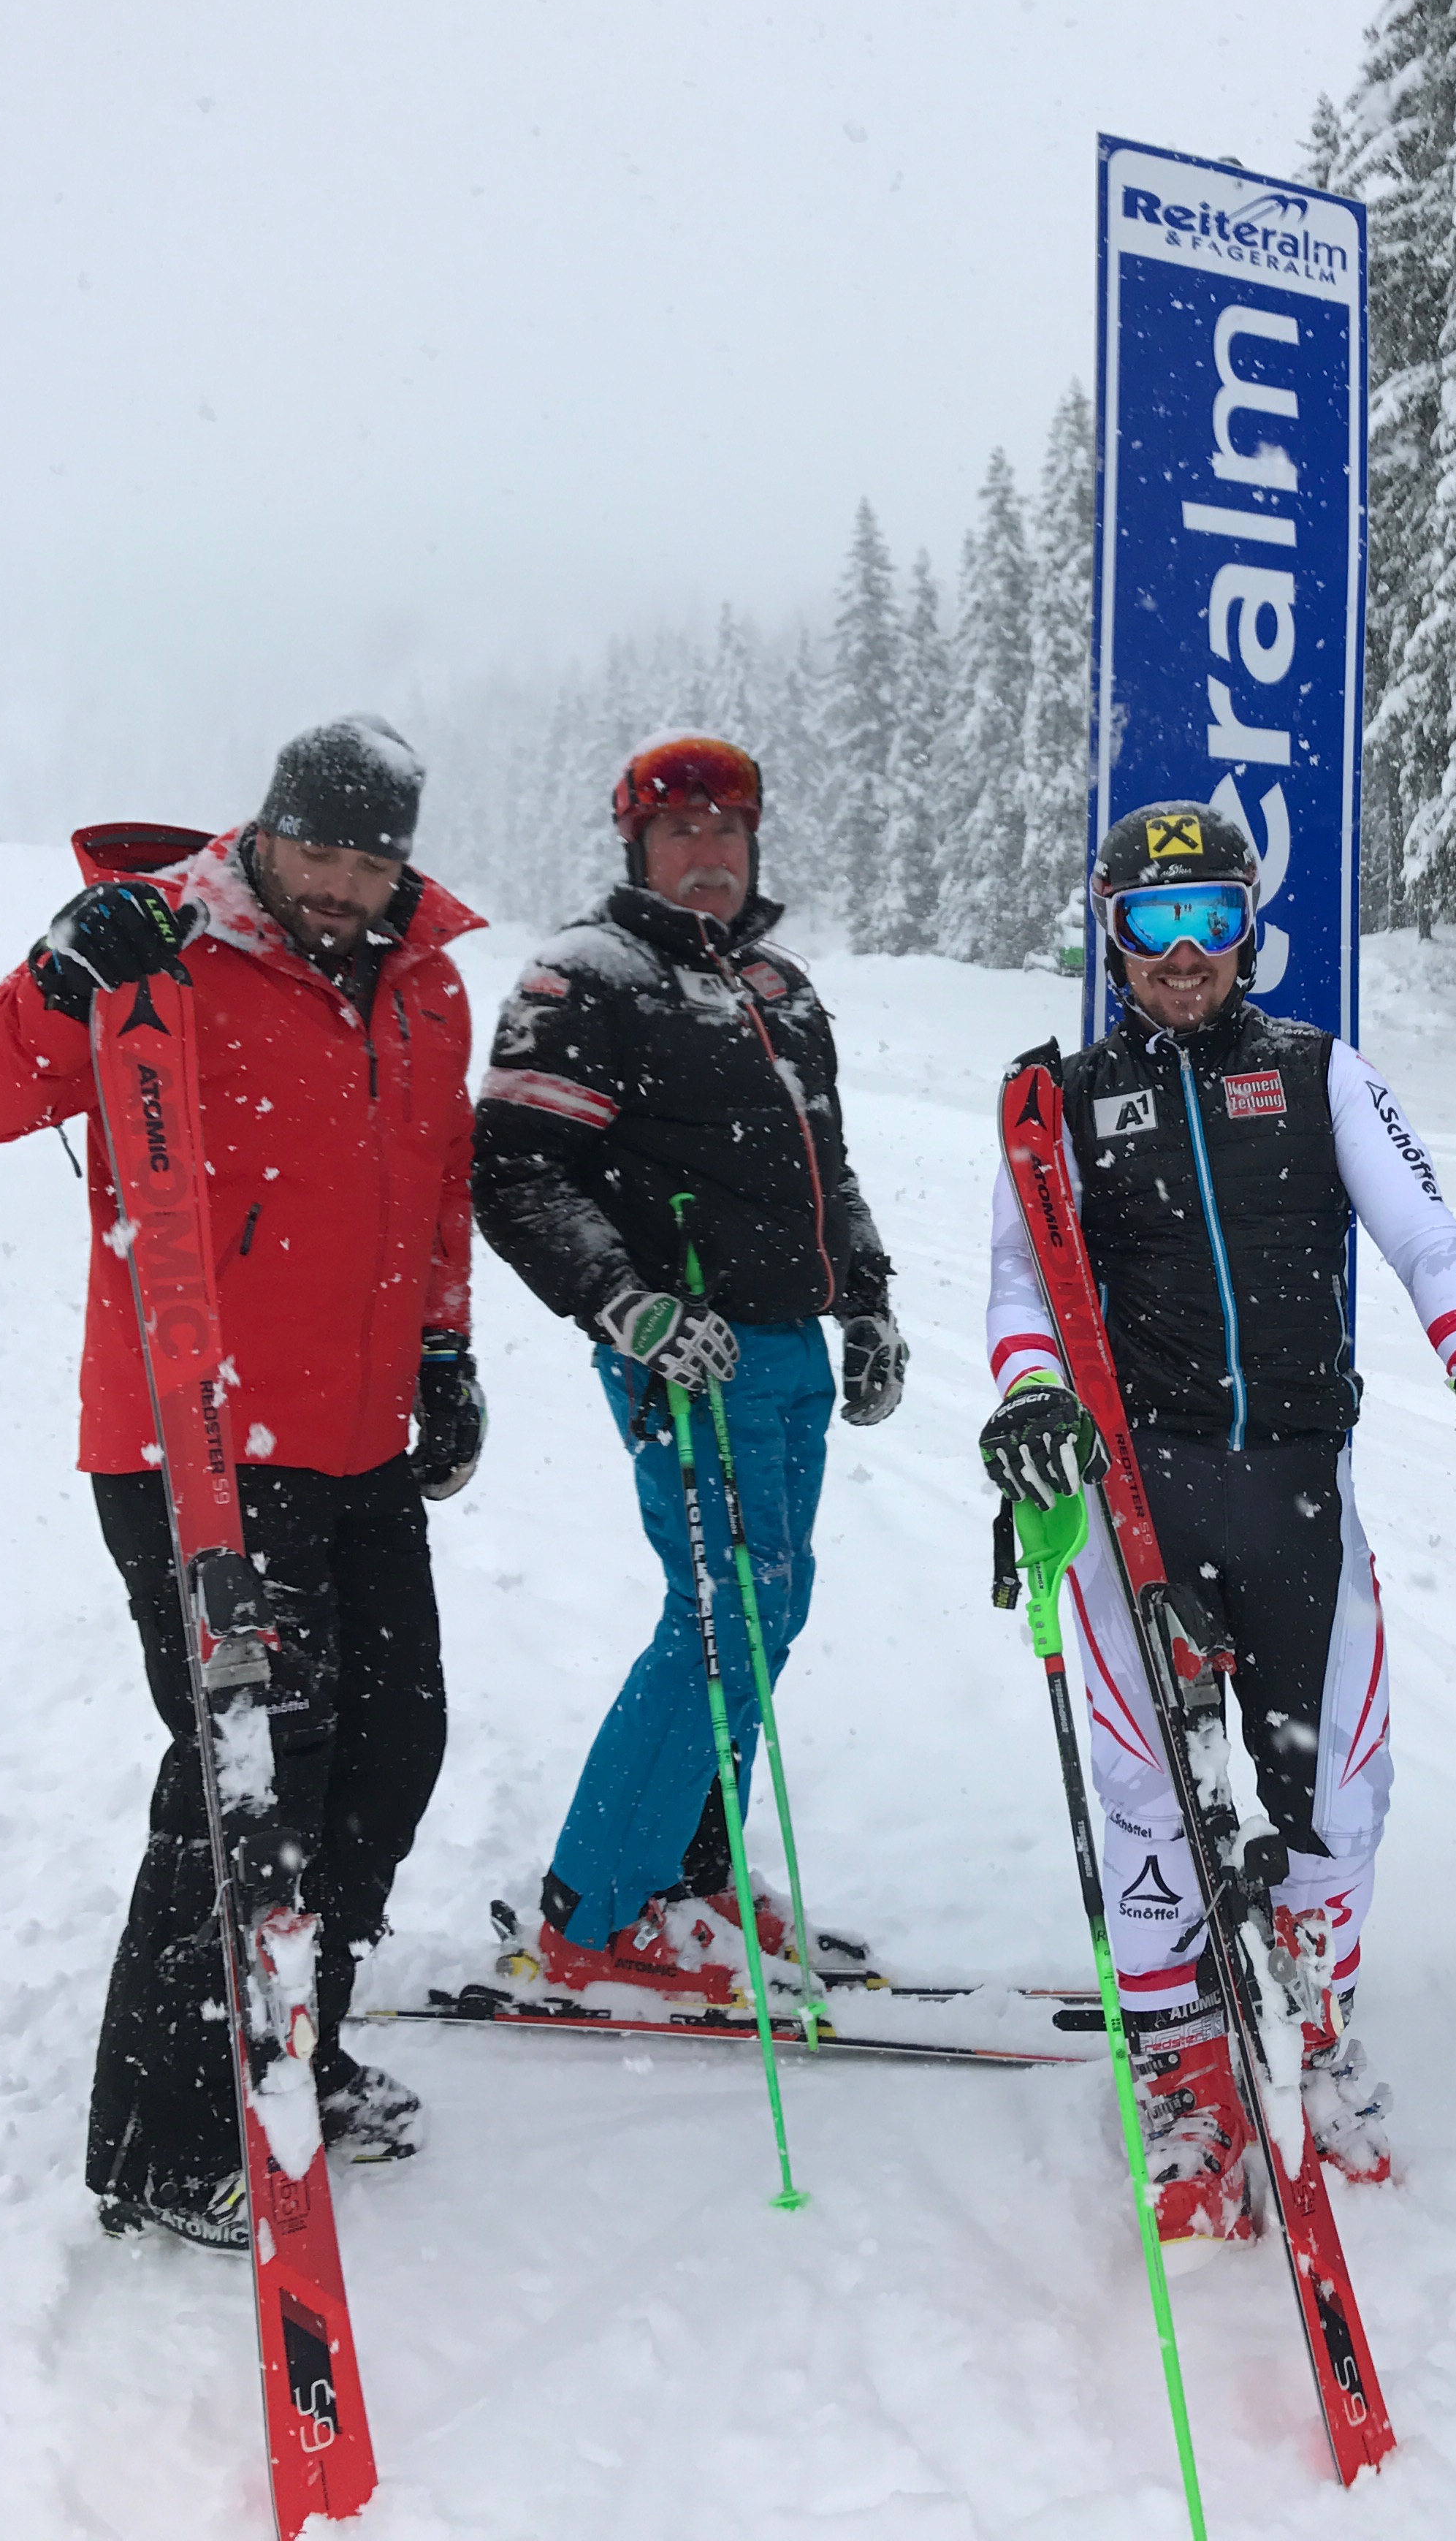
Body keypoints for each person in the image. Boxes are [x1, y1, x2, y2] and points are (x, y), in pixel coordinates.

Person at [978, 798, 1456, 2260]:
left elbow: (1428, 1239)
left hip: (1298, 1494)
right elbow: (1020, 1280)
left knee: (1339, 1795)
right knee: (1151, 1799)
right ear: (1113, 939)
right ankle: (1184, 2073)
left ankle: (1311, 2040)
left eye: (1208, 923)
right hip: (1139, 1499)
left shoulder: (1320, 1075)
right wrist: (1029, 1394)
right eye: (1152, 924)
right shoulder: (1060, 1102)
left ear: (1248, 931)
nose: (1183, 954)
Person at [0, 715, 484, 2249]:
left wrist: (443, 1354)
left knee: (393, 1746)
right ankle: (167, 2133)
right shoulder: (159, 945)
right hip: (196, 1440)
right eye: (318, 847)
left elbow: (435, 1196)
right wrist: (63, 978)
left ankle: (293, 2043)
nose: (341, 881)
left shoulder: (429, 979)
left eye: (370, 854)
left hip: (364, 1443)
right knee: (247, 1777)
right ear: (266, 830)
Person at [472, 730, 907, 1997]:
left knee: (770, 1610)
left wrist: (867, 1302)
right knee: (725, 1617)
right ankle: (596, 1913)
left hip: (788, 1354)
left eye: (725, 833)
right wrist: (628, 1307)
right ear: (639, 849)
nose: (706, 854)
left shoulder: (779, 985)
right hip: (691, 1357)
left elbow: (832, 1170)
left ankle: (687, 1873)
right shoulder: (586, 978)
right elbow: (511, 1171)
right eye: (680, 835)